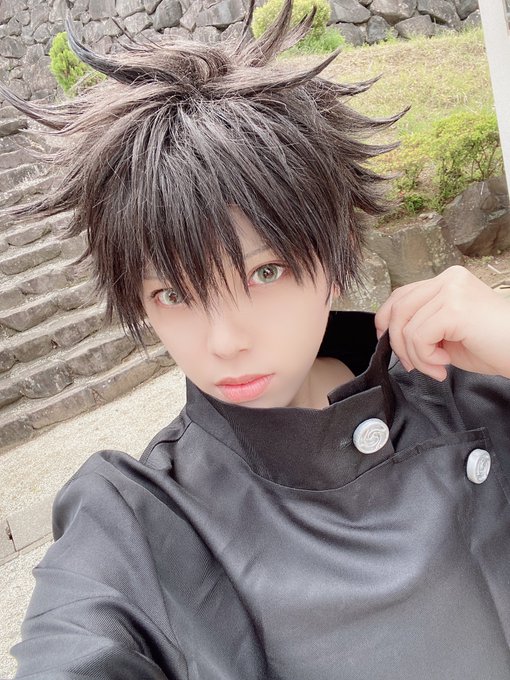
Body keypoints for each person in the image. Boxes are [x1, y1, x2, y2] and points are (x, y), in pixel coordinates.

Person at [2, 1, 510, 677]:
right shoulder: (139, 519)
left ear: (336, 257)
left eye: (264, 272)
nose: (224, 340)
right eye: (174, 293)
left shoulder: (475, 388)